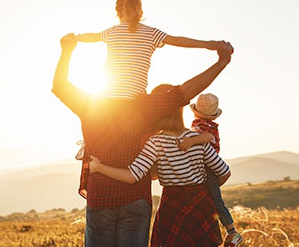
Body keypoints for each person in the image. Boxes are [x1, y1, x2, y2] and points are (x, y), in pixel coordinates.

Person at [52, 33, 233, 247]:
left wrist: (67, 50)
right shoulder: (149, 108)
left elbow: (60, 86)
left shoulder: (90, 104)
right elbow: (187, 91)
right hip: (136, 198)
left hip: (101, 197)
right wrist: (221, 62)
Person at [89, 84, 232, 246]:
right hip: (202, 207)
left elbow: (132, 176)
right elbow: (225, 172)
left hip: (173, 207)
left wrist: (99, 167)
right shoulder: (197, 139)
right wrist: (204, 192)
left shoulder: (156, 142)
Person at [75, 0, 221, 99]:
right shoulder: (151, 33)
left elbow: (91, 37)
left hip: (107, 98)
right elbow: (178, 40)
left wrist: (75, 38)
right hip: (135, 99)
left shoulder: (112, 32)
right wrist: (208, 44)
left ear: (118, 12)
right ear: (140, 11)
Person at [178, 93, 243, 246]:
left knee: (216, 200)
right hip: (208, 167)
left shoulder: (202, 127)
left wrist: (190, 141)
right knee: (211, 198)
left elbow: (207, 138)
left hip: (208, 167)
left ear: (195, 111)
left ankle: (232, 232)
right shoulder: (207, 125)